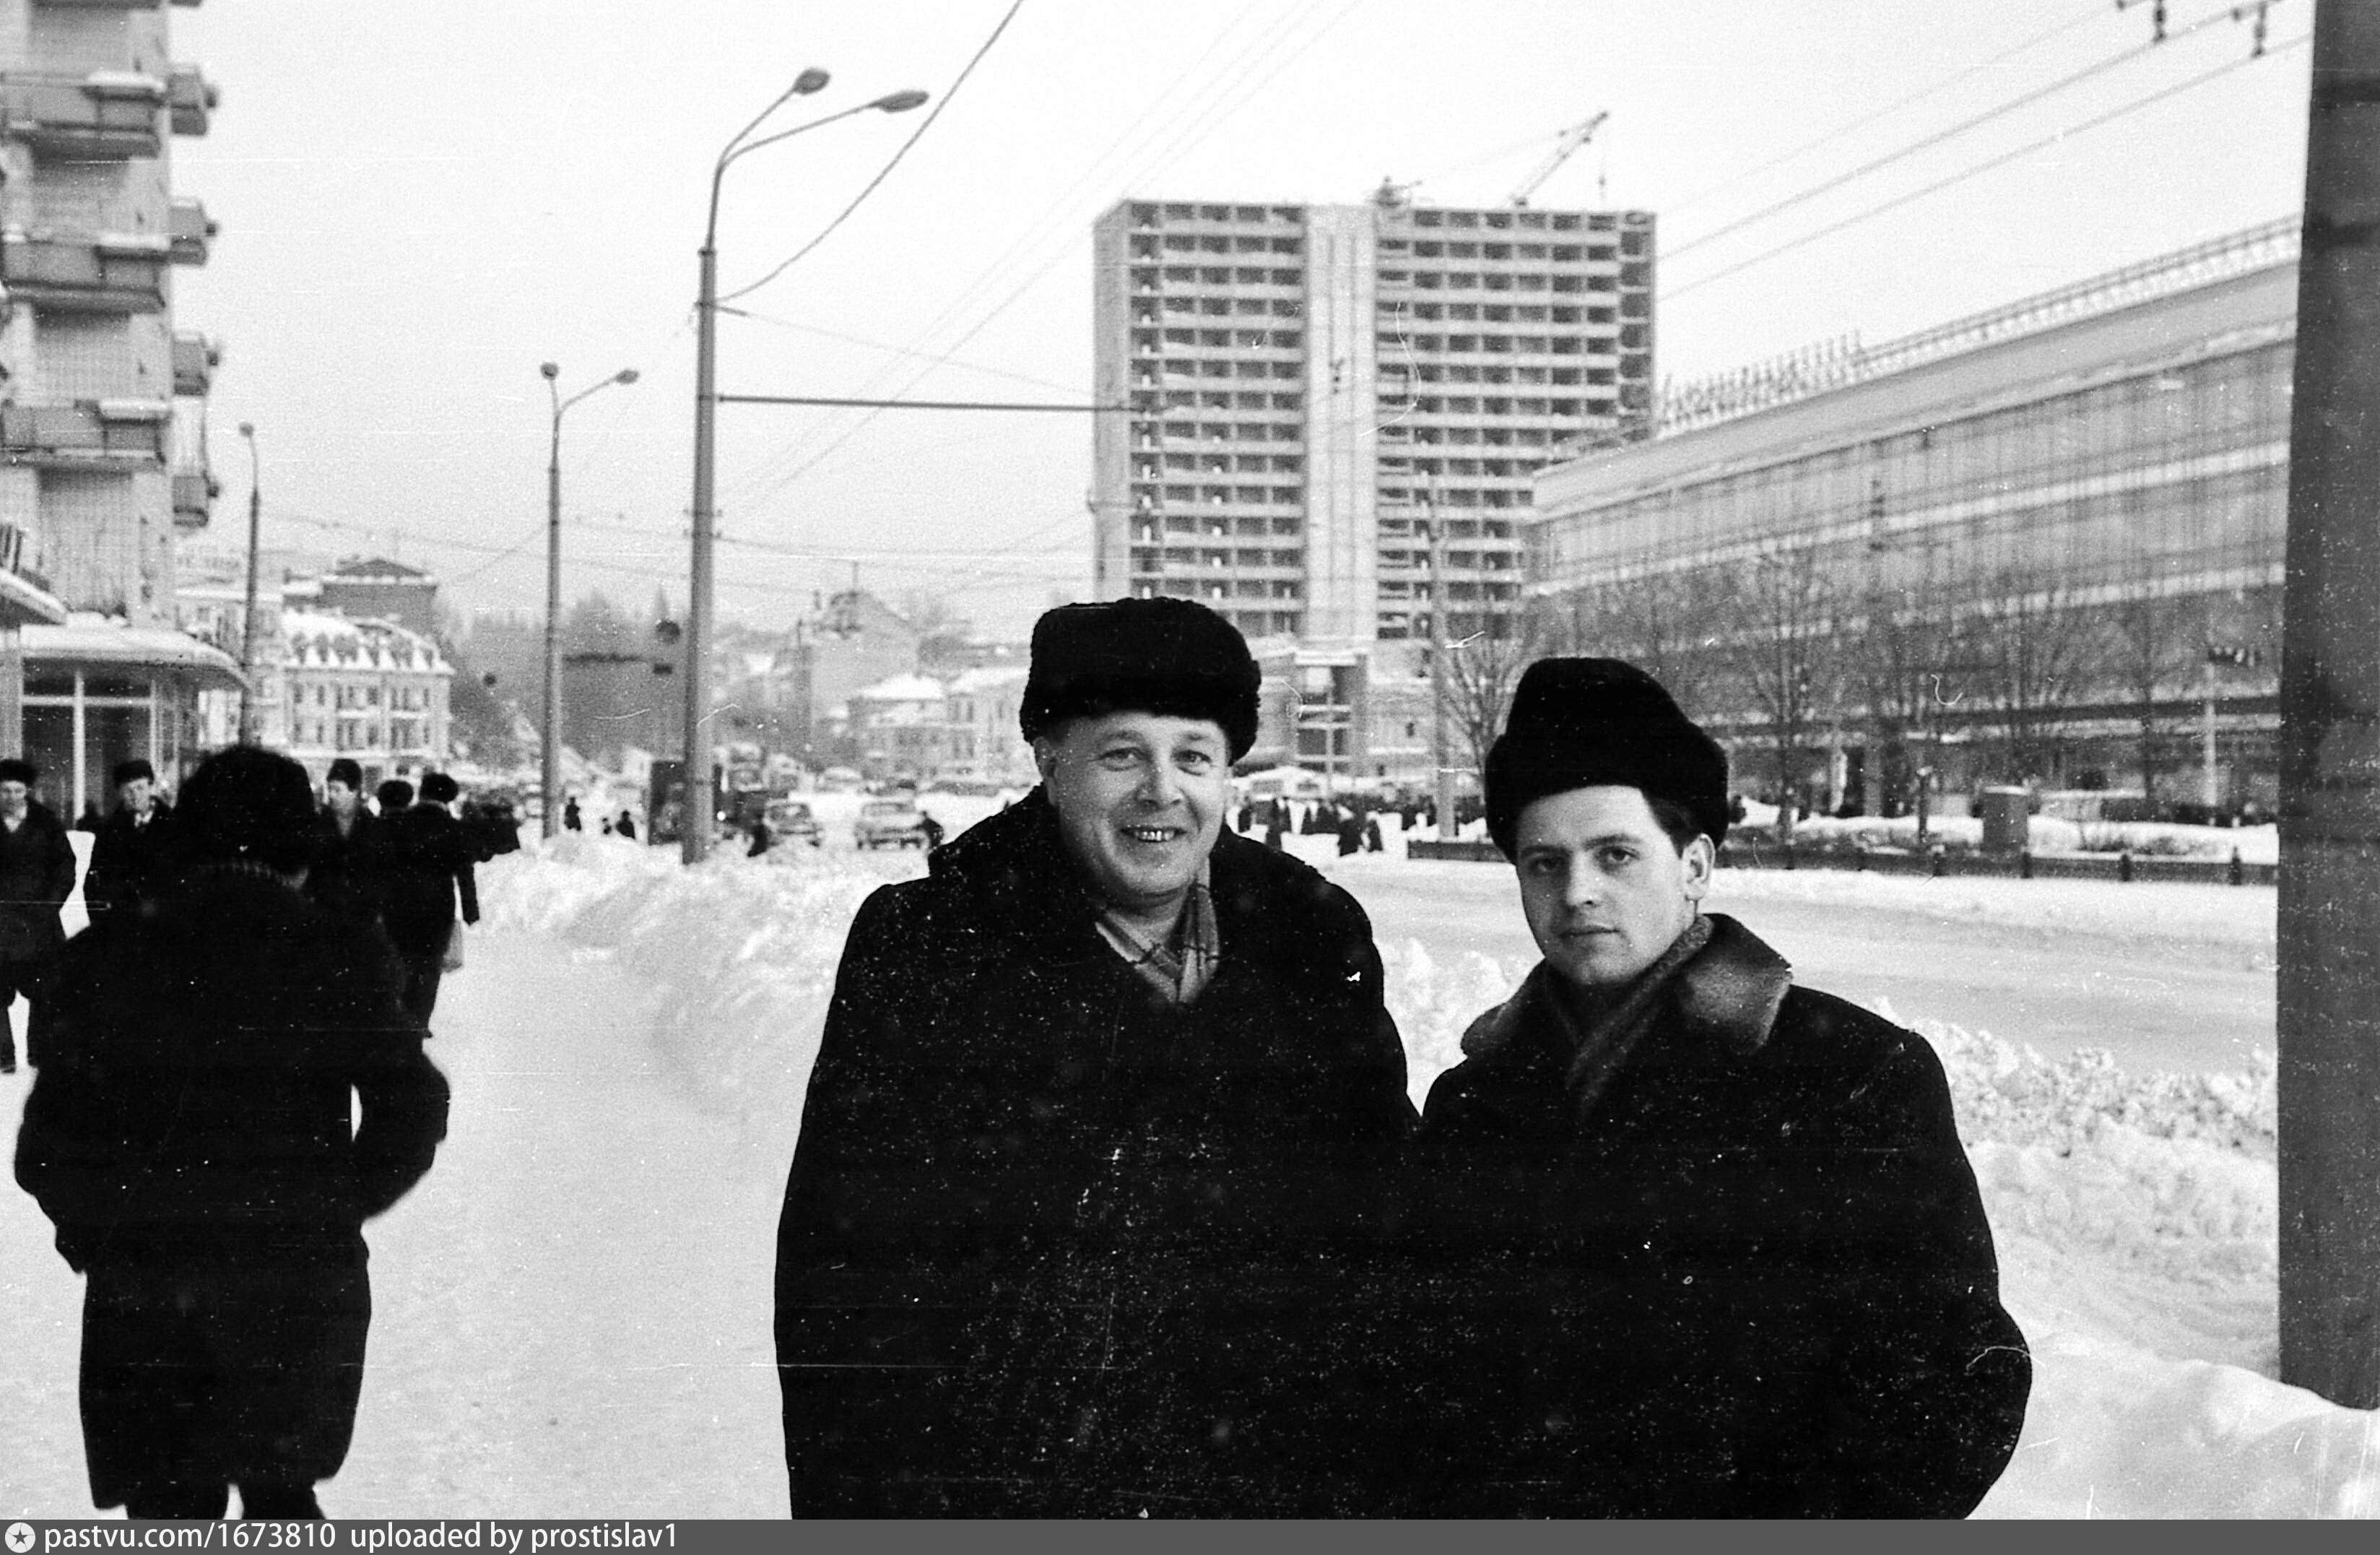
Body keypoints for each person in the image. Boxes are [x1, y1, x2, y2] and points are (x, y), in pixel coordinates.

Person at [776, 597, 1415, 1517]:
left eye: (1193, 756)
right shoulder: (928, 948)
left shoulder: (1311, 942)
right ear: (1049, 763)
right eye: (1122, 755)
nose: (1162, 790)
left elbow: (1387, 1255)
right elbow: (843, 1289)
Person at [1409, 659, 2031, 1517]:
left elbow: (1955, 1385)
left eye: (1614, 854)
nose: (1576, 891)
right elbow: (1426, 1384)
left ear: (1694, 863)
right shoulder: (1473, 1104)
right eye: (1543, 862)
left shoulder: (1847, 1076)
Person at [14, 744, 448, 1520]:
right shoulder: (336, 949)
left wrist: (102, 1237)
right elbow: (413, 1106)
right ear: (298, 844)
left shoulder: (107, 954)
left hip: (146, 1288)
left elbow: (47, 1146)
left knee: (169, 1508)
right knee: (283, 1496)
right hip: (294, 1282)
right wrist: (335, 1206)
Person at [378, 774, 479, 1026]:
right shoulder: (455, 828)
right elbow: (465, 873)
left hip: (399, 902)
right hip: (438, 906)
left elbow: (384, 862)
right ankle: (419, 1020)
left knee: (402, 958)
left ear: (422, 794)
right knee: (429, 966)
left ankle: (399, 1014)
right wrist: (471, 910)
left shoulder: (402, 822)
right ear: (449, 799)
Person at [0, 757, 77, 1073]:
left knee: (44, 988)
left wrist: (50, 904)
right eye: (5, 791)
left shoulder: (46, 823)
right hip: (1, 922)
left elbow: (65, 866)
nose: (11, 797)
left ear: (28, 791)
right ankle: (3, 1055)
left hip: (39, 921)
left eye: (18, 791)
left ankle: (38, 1053)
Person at [82, 760, 181, 928]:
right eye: (128, 791)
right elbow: (94, 882)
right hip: (123, 923)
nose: (135, 796)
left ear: (151, 787)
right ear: (120, 794)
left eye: (140, 788)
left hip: (165, 922)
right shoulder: (110, 831)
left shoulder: (175, 826)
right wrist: (102, 922)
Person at [305, 758, 386, 930]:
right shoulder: (319, 824)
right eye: (330, 789)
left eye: (337, 790)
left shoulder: (372, 826)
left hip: (363, 912)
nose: (331, 795)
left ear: (354, 791)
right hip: (325, 909)